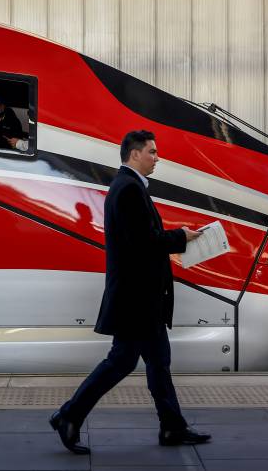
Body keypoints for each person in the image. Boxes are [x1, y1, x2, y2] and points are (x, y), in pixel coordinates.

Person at [50, 130, 211, 455]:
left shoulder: (129, 187)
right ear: (134, 154)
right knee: (122, 362)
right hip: (137, 300)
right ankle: (69, 415)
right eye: (152, 152)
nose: (157, 157)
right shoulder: (128, 190)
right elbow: (144, 243)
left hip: (141, 299)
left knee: (157, 362)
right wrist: (179, 236)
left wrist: (179, 236)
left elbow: (143, 237)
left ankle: (172, 427)